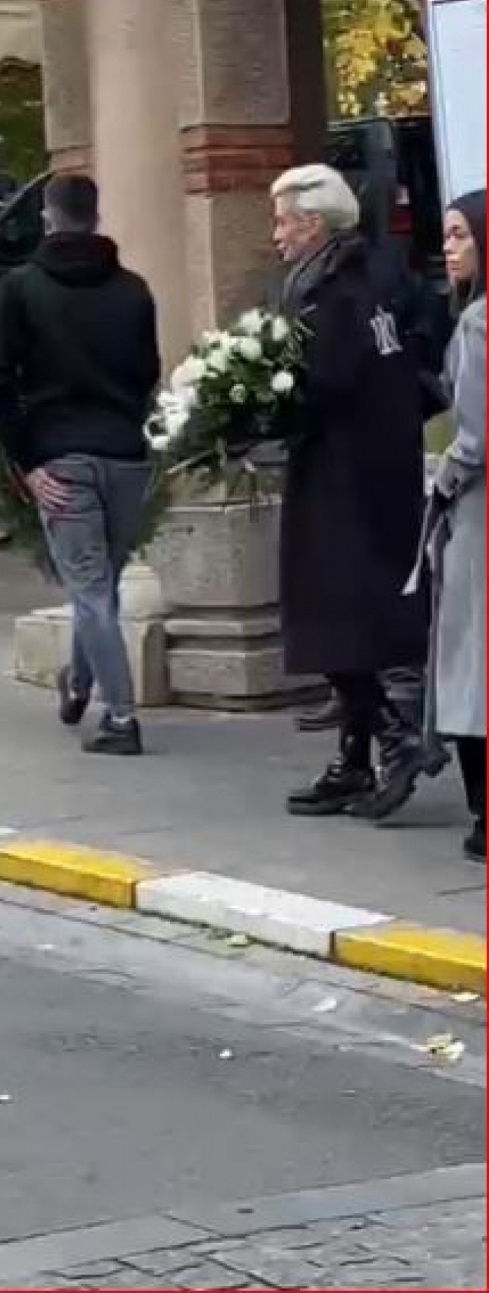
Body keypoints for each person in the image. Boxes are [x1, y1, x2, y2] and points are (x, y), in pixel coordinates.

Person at [0, 173, 160, 755]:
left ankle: (122, 718)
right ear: (95, 216)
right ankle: (80, 681)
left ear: (48, 218)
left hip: (61, 455)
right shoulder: (133, 289)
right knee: (100, 585)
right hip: (127, 454)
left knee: (91, 592)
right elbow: (147, 373)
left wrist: (27, 461)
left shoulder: (20, 289)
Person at [271, 163, 429, 818]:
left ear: (313, 223)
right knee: (354, 617)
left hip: (342, 473)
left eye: (283, 221)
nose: (277, 235)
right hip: (383, 466)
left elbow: (323, 384)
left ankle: (395, 736)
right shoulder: (381, 275)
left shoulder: (333, 292)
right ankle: (353, 762)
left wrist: (262, 412)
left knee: (329, 617)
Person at [430, 190, 486, 860]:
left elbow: (475, 433)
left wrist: (444, 476)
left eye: (460, 235)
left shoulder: (477, 323)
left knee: (471, 657)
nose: (448, 249)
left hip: (479, 512)